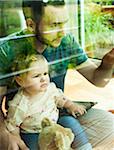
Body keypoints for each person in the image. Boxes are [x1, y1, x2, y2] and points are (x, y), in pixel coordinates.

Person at [0, 0, 114, 149]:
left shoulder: (66, 42)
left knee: (108, 124)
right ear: (30, 25)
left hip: (57, 113)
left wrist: (108, 64)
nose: (63, 32)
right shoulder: (7, 50)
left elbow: (98, 80)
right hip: (25, 125)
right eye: (54, 25)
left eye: (64, 24)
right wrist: (5, 134)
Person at [5, 54, 92, 150]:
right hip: (34, 132)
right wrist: (17, 138)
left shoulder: (50, 89)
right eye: (36, 76)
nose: (43, 79)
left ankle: (84, 147)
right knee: (32, 146)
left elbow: (60, 98)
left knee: (70, 121)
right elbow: (13, 124)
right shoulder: (19, 104)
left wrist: (70, 105)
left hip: (55, 123)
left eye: (45, 73)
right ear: (20, 81)